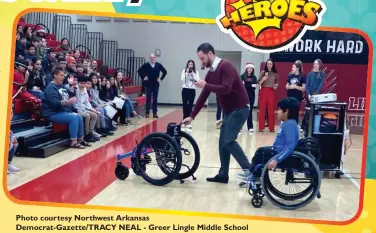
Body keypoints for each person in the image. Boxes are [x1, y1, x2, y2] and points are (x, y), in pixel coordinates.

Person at [182, 43, 252, 184]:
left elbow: (226, 89)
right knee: (222, 143)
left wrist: (205, 85)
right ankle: (223, 174)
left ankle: (251, 171)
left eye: (202, 59)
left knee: (229, 141)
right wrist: (192, 115)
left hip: (240, 108)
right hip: (229, 110)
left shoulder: (226, 66)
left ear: (210, 54)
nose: (201, 62)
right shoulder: (212, 71)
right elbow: (204, 94)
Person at [239, 97, 300, 183]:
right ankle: (251, 172)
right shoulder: (287, 123)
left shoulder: (290, 125)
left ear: (286, 111)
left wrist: (276, 159)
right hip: (277, 150)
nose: (277, 112)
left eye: (279, 109)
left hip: (280, 154)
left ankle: (255, 176)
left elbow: (289, 148)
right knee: (260, 151)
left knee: (262, 152)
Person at [42, 67, 90, 149]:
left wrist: (75, 109)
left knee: (79, 116)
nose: (63, 77)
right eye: (61, 75)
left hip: (62, 111)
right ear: (55, 75)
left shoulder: (62, 86)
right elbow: (54, 104)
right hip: (52, 113)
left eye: (63, 75)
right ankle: (73, 142)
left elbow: (71, 96)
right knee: (73, 118)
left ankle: (80, 139)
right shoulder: (50, 88)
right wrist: (68, 102)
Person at [137, 53, 167, 118]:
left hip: (156, 85)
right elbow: (139, 71)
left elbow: (165, 72)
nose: (152, 58)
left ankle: (155, 113)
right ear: (149, 58)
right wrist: (143, 77)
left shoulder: (158, 65)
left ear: (155, 58)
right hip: (148, 85)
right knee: (148, 99)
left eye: (153, 57)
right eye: (151, 57)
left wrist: (160, 79)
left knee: (155, 99)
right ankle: (147, 113)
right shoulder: (146, 65)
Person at [258, 59, 279, 132]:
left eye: (270, 64)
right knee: (262, 109)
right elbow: (259, 83)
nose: (269, 65)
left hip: (271, 91)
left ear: (272, 65)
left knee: (271, 110)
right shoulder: (263, 72)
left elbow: (276, 83)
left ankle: (271, 127)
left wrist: (276, 86)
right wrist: (264, 78)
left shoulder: (275, 74)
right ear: (266, 65)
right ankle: (261, 127)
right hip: (263, 90)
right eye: (268, 64)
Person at [181, 59, 200, 128]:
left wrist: (192, 73)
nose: (190, 66)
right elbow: (182, 80)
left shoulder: (196, 72)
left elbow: (197, 80)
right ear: (187, 65)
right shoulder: (184, 71)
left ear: (193, 65)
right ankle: (184, 121)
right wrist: (186, 73)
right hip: (185, 89)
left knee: (190, 106)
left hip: (192, 90)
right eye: (189, 64)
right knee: (185, 105)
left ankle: (188, 122)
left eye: (191, 64)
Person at [241, 63, 258, 133]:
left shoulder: (254, 77)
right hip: (243, 96)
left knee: (249, 111)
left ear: (252, 69)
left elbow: (254, 86)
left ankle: (250, 127)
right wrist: (251, 85)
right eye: (248, 68)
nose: (249, 69)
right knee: (242, 111)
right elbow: (242, 86)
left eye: (251, 68)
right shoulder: (242, 76)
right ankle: (239, 127)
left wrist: (246, 84)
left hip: (251, 96)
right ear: (246, 69)